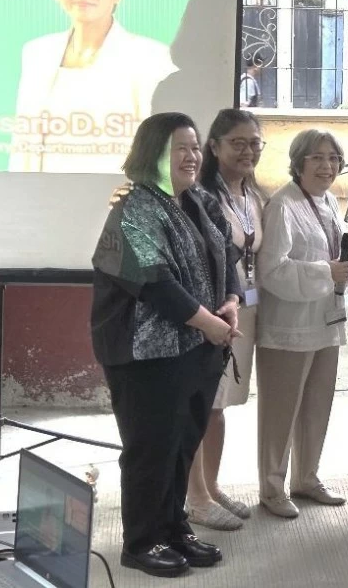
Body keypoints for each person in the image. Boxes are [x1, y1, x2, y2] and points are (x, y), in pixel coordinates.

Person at [90, 112, 239, 578]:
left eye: (195, 146)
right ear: (152, 154)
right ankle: (141, 541)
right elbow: (152, 282)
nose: (192, 156)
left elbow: (228, 255)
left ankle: (173, 527)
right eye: (180, 147)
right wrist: (208, 323)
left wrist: (231, 301)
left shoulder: (199, 200)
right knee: (150, 447)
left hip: (197, 348)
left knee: (182, 442)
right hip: (145, 355)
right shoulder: (133, 207)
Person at [255, 129, 348, 518]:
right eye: (318, 158)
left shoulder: (326, 203)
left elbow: (331, 260)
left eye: (334, 159)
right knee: (280, 409)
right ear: (299, 162)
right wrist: (329, 271)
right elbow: (271, 270)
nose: (328, 166)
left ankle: (306, 477)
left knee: (317, 404)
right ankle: (272, 488)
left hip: (325, 321)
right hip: (288, 325)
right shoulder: (283, 205)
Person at [12, 0, 175, 173]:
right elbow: (23, 142)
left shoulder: (151, 56)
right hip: (42, 198)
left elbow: (156, 149)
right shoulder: (37, 53)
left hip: (114, 199)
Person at [185, 109, 266, 531]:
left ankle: (211, 487)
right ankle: (194, 496)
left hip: (245, 311)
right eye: (238, 142)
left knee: (220, 409)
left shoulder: (254, 196)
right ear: (213, 147)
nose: (248, 150)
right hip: (212, 316)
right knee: (202, 406)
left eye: (255, 142)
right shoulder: (201, 197)